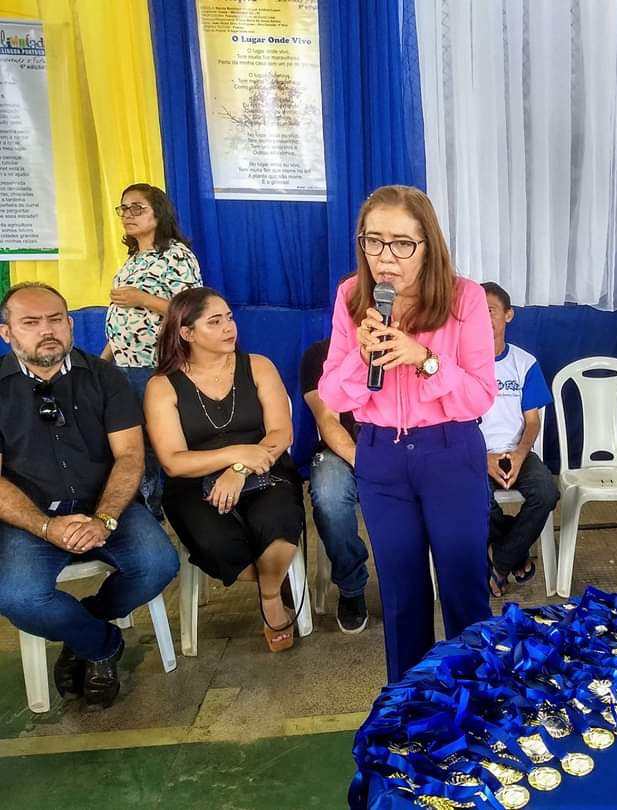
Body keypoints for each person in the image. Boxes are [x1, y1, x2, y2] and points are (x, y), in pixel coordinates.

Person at [319, 185, 496, 683]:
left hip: (450, 451)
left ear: (428, 243)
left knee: (463, 588)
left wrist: (425, 359)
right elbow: (334, 393)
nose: (384, 257)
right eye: (373, 242)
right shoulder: (352, 296)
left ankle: (476, 702)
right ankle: (409, 709)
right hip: (380, 456)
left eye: (401, 243)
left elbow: (480, 395)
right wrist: (362, 354)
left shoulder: (465, 297)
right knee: (401, 593)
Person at [0, 283, 179, 708]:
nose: (47, 330)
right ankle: (101, 644)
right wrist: (46, 526)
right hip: (31, 517)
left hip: (106, 506)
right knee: (18, 597)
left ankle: (80, 630)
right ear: (7, 333)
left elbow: (131, 455)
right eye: (31, 322)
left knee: (158, 565)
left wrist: (104, 519)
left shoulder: (103, 377)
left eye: (56, 320)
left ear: (71, 324)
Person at [144, 288, 305, 652]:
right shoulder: (162, 386)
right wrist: (235, 453)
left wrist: (240, 468)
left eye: (229, 318)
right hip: (194, 483)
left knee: (278, 525)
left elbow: (281, 432)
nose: (229, 327)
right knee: (217, 544)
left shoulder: (258, 366)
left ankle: (269, 597)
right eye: (214, 322)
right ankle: (274, 576)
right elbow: (173, 460)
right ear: (187, 333)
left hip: (266, 470)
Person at [103, 183, 203, 519]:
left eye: (137, 208)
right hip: (123, 365)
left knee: (152, 442)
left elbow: (192, 309)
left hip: (154, 366)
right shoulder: (134, 259)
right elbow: (124, 318)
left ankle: (153, 512)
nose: (128, 215)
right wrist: (105, 360)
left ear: (158, 213)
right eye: (123, 209)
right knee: (129, 439)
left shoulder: (175, 255)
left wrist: (142, 299)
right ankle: (140, 507)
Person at [479, 282, 559, 597]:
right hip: (476, 456)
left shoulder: (525, 364)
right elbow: (456, 424)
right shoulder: (461, 364)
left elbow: (532, 421)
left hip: (517, 453)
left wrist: (521, 454)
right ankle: (516, 552)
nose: (483, 318)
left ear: (508, 315)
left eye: (490, 311)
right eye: (477, 312)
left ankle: (499, 560)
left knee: (546, 492)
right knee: (473, 501)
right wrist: (482, 459)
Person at [300, 337, 372, 632]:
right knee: (328, 496)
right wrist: (362, 460)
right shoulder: (319, 353)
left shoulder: (406, 343)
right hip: (340, 447)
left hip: (396, 443)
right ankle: (351, 588)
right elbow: (326, 418)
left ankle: (408, 580)